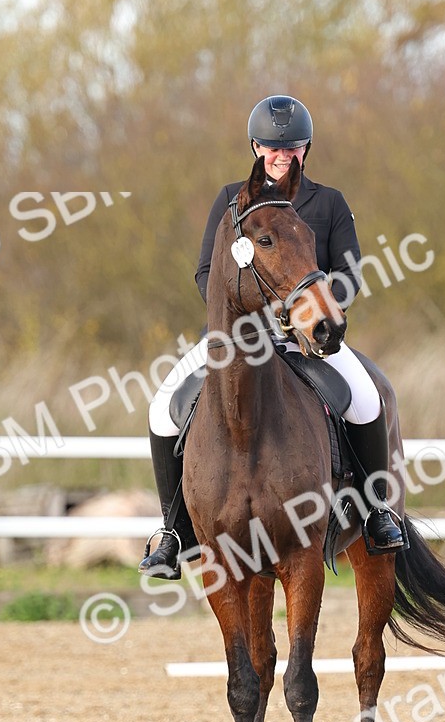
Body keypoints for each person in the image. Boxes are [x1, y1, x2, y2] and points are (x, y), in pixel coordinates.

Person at [140, 94, 404, 579]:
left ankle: (376, 512)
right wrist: (246, 318)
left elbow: (349, 274)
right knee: (161, 409)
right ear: (256, 148)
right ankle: (174, 530)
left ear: (306, 149)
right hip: (237, 336)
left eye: (293, 147)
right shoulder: (231, 200)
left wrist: (311, 312)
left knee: (368, 399)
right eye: (273, 148)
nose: (283, 156)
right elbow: (206, 273)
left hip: (308, 336)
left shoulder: (328, 202)